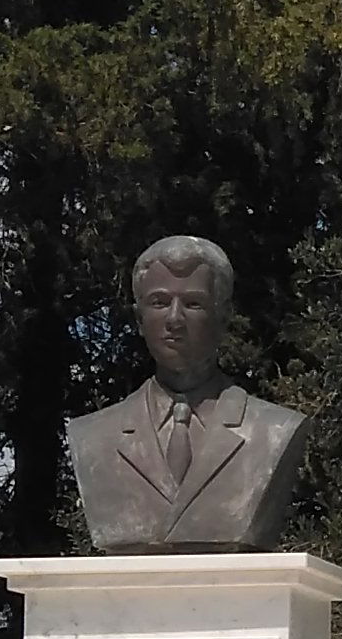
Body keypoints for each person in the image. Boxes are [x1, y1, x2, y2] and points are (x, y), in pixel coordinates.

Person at [62, 235, 311, 551]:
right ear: (139, 319)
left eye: (193, 303)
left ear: (223, 317)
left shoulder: (274, 431)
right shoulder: (94, 436)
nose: (174, 319)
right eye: (159, 302)